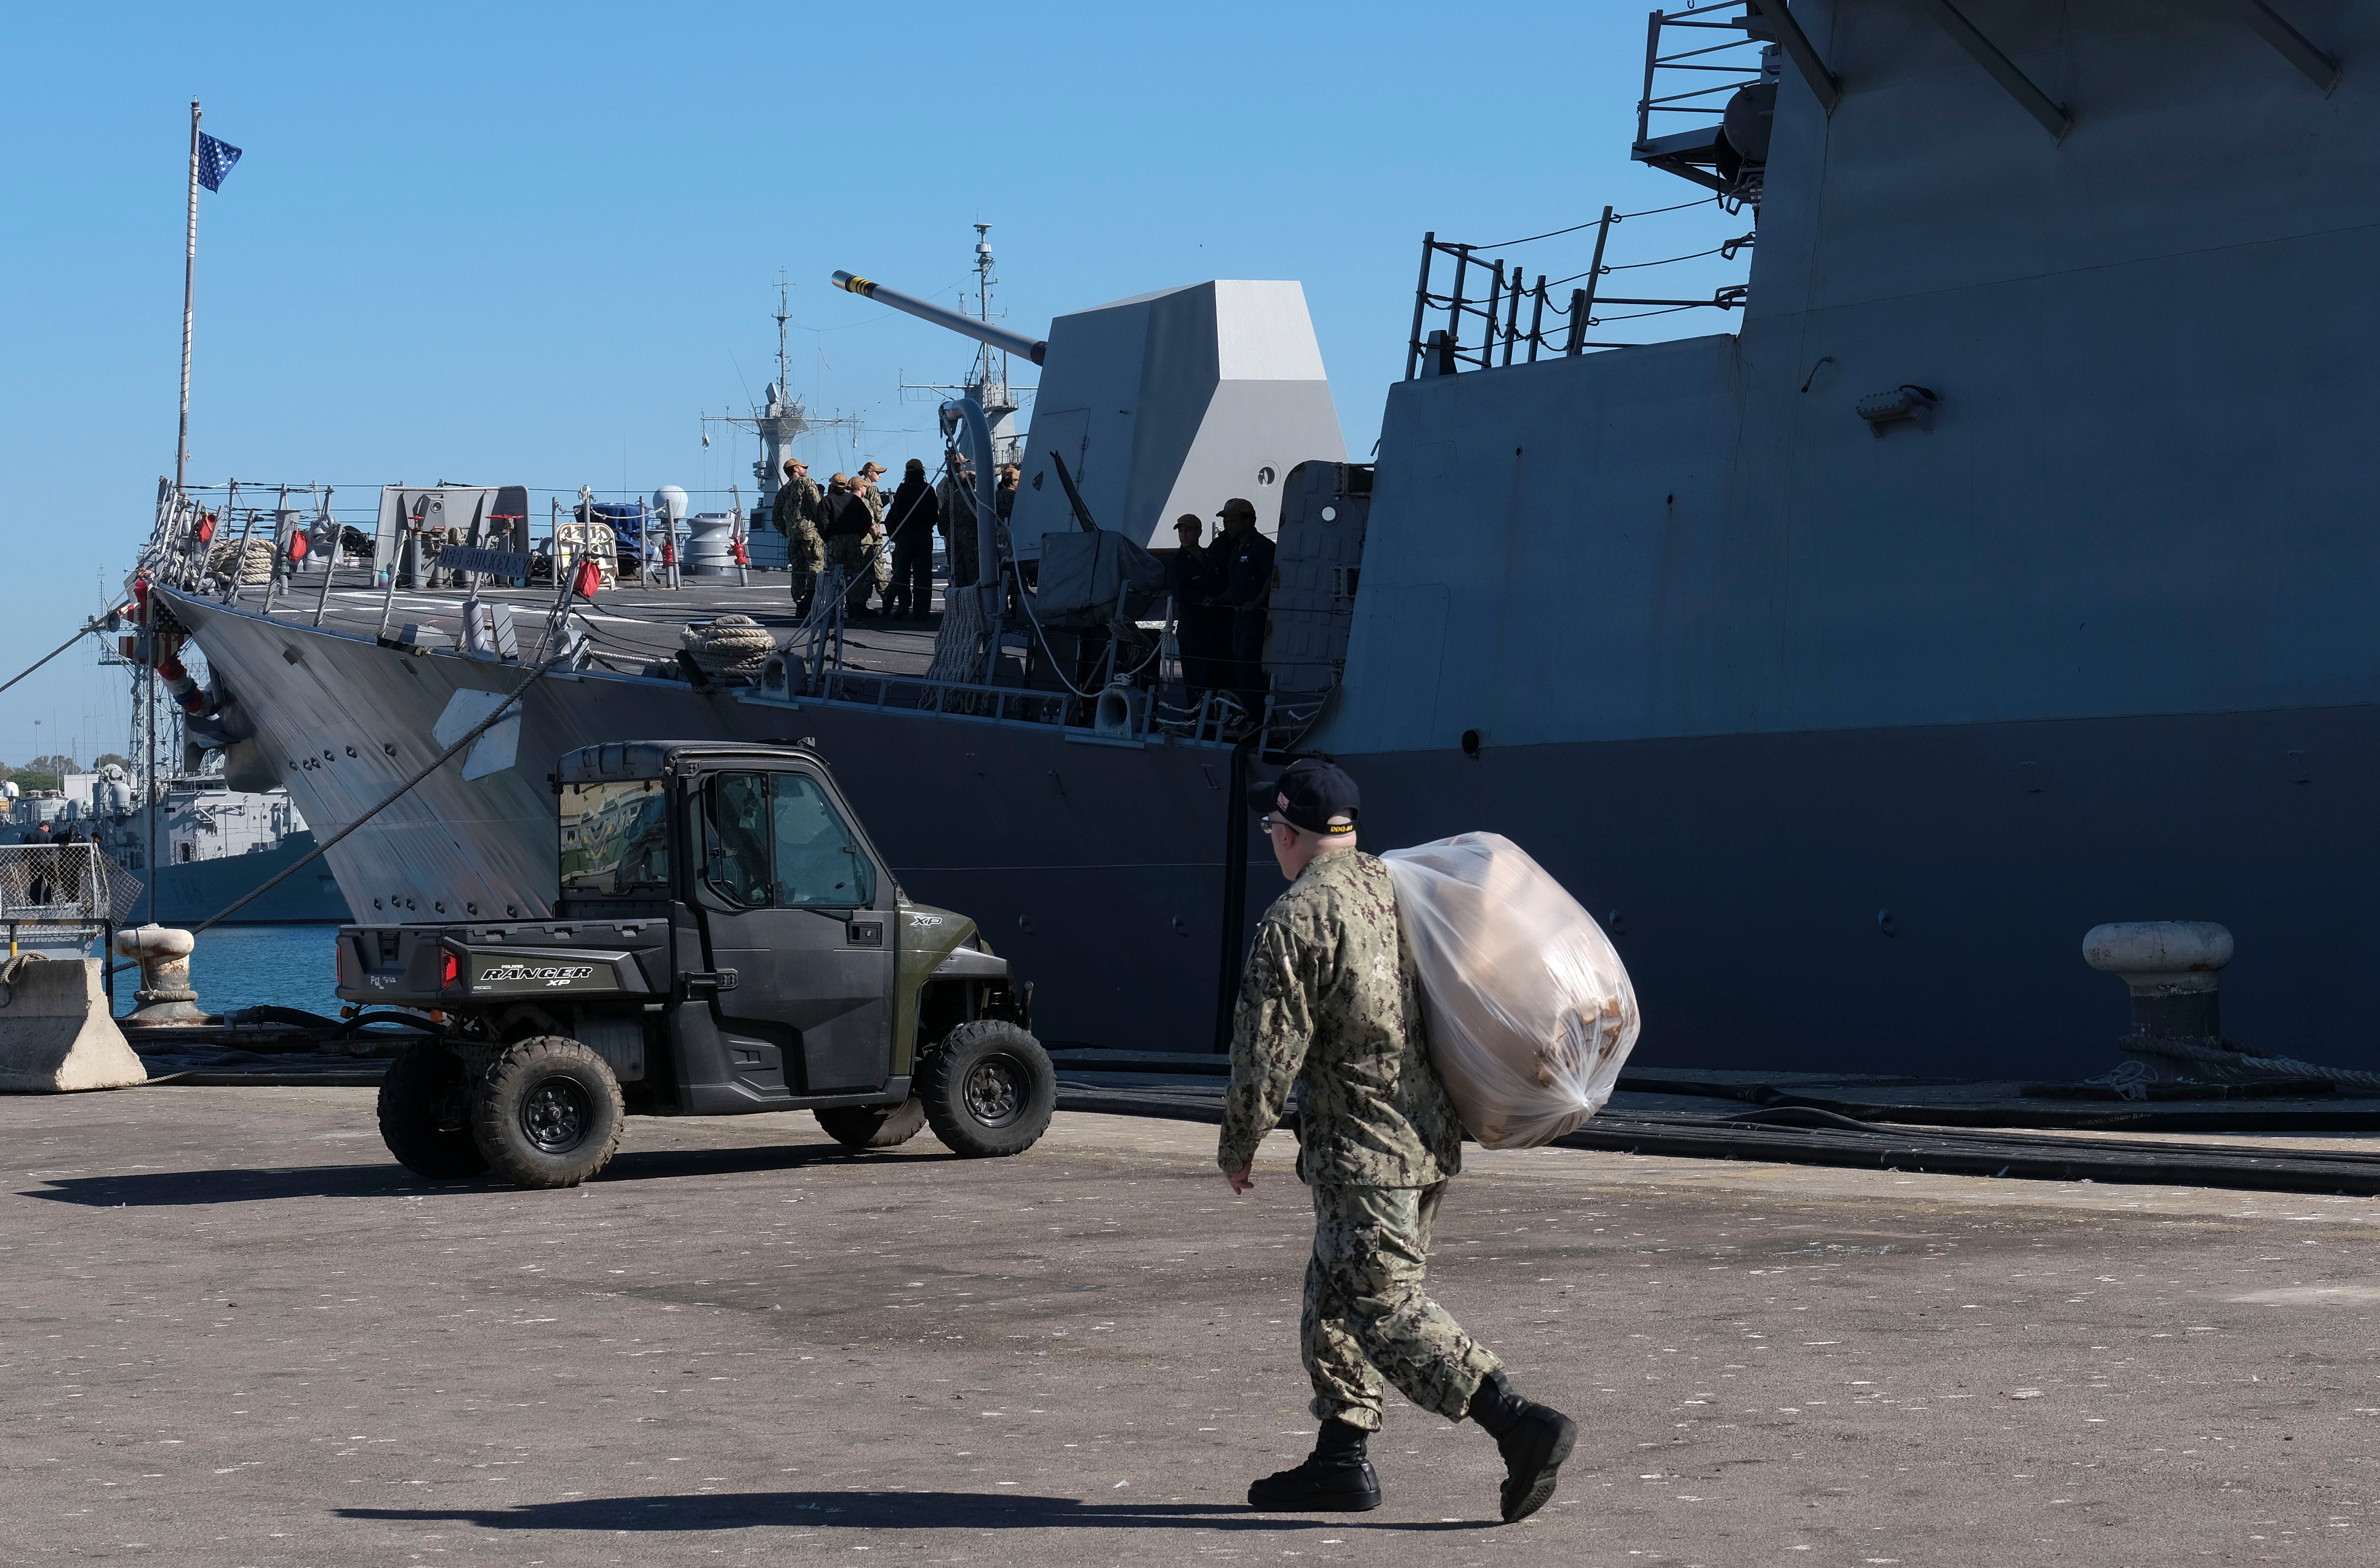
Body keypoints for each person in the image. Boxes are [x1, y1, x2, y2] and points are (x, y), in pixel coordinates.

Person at [1219, 759, 1578, 1522]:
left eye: (1270, 830)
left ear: (1288, 833)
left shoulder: (1297, 916)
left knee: (1383, 1305)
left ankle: (1517, 1424)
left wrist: (1239, 1142)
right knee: (1332, 1297)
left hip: (1363, 1151)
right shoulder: (1390, 884)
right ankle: (1339, 1458)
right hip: (1421, 1138)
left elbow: (1265, 1046)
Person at [1208, 497, 1276, 731]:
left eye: (1233, 520)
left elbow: (1272, 578)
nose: (1228, 524)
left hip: (1254, 619)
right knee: (1239, 667)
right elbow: (1236, 587)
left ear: (1248, 521)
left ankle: (1258, 718)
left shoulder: (1263, 547)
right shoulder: (1236, 549)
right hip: (1239, 617)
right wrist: (1217, 600)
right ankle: (1249, 714)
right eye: (1226, 520)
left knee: (1250, 668)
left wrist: (1256, 602)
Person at [1167, 513, 1228, 711]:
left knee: (1216, 676)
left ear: (1199, 532)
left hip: (1216, 627)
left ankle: (1214, 719)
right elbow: (1181, 592)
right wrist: (1203, 600)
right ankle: (1196, 717)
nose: (1183, 535)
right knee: (1196, 678)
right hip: (1193, 628)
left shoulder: (1211, 558)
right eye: (1181, 531)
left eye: (1188, 530)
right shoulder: (1178, 563)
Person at [884, 458, 941, 620]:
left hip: (905, 536)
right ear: (922, 472)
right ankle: (922, 609)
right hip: (923, 536)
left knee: (902, 573)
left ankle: (903, 605)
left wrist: (894, 536)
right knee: (923, 573)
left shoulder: (902, 490)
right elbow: (934, 515)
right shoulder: (927, 490)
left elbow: (893, 515)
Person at [819, 474, 877, 619]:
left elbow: (822, 522)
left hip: (835, 540)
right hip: (853, 540)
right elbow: (867, 518)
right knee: (854, 574)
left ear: (832, 485)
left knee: (835, 574)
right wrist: (860, 535)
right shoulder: (855, 501)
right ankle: (856, 606)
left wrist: (828, 537)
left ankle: (834, 608)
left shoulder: (827, 500)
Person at [772, 458, 826, 617]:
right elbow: (818, 507)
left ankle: (800, 604)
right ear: (796, 469)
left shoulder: (783, 491)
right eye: (803, 467)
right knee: (815, 566)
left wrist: (788, 531)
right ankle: (811, 602)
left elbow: (776, 518)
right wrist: (822, 529)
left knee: (798, 571)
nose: (806, 470)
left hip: (793, 537)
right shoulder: (806, 482)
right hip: (810, 532)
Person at [936, 456, 981, 591]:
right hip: (972, 541)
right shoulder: (976, 500)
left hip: (953, 539)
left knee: (957, 575)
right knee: (974, 575)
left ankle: (958, 605)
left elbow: (942, 524)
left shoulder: (950, 496)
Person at [856, 462, 893, 612]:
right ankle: (886, 600)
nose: (880, 475)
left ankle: (860, 604)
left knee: (862, 571)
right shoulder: (872, 489)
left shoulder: (857, 486)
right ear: (870, 473)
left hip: (860, 536)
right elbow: (878, 514)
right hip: (873, 535)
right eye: (877, 472)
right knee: (879, 570)